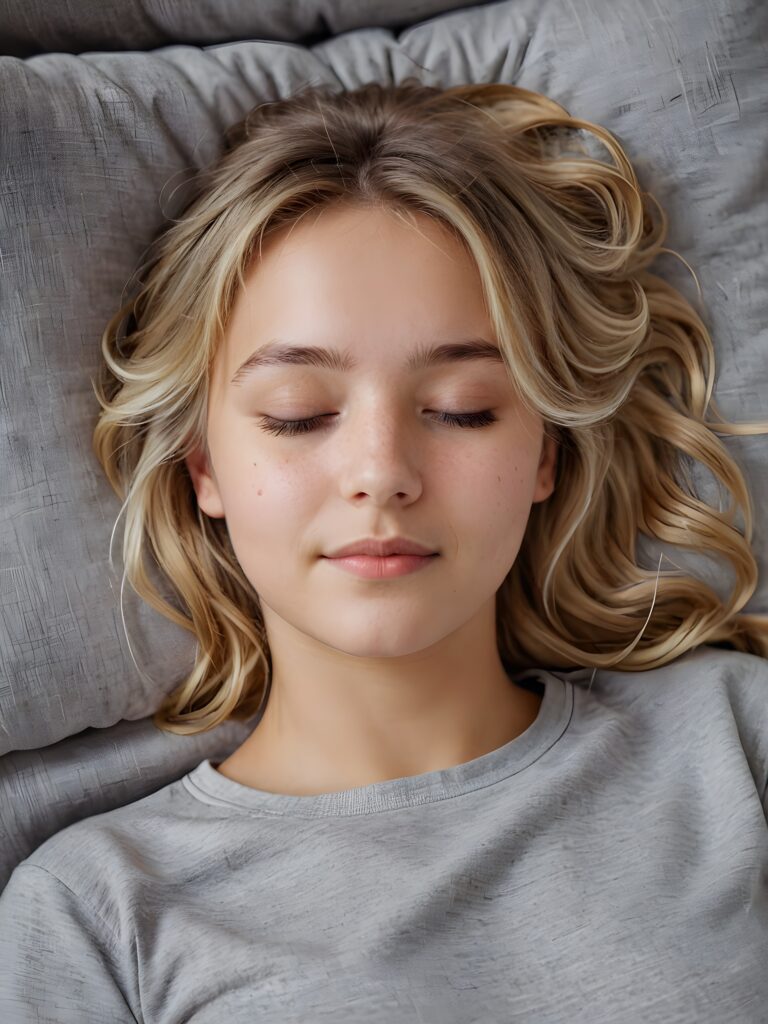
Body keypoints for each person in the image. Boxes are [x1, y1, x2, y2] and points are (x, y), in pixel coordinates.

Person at [1, 78, 766, 1022]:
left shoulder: (736, 740)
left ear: (546, 454)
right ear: (204, 466)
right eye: (299, 416)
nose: (382, 473)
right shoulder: (94, 914)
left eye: (462, 410)